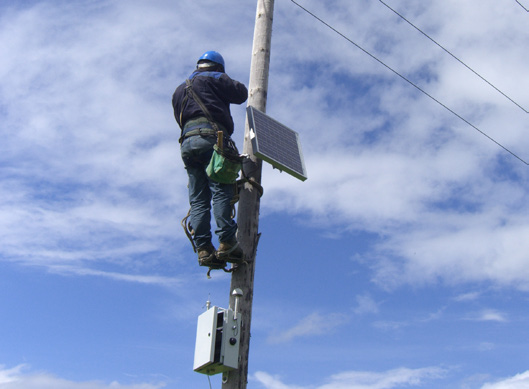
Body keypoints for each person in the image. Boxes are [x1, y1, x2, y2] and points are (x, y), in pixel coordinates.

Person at [172, 51, 248, 268]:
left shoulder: (179, 90)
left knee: (198, 199)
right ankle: (227, 242)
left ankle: (204, 249)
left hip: (187, 143)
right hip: (211, 138)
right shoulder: (215, 77)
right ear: (217, 66)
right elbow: (240, 93)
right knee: (221, 188)